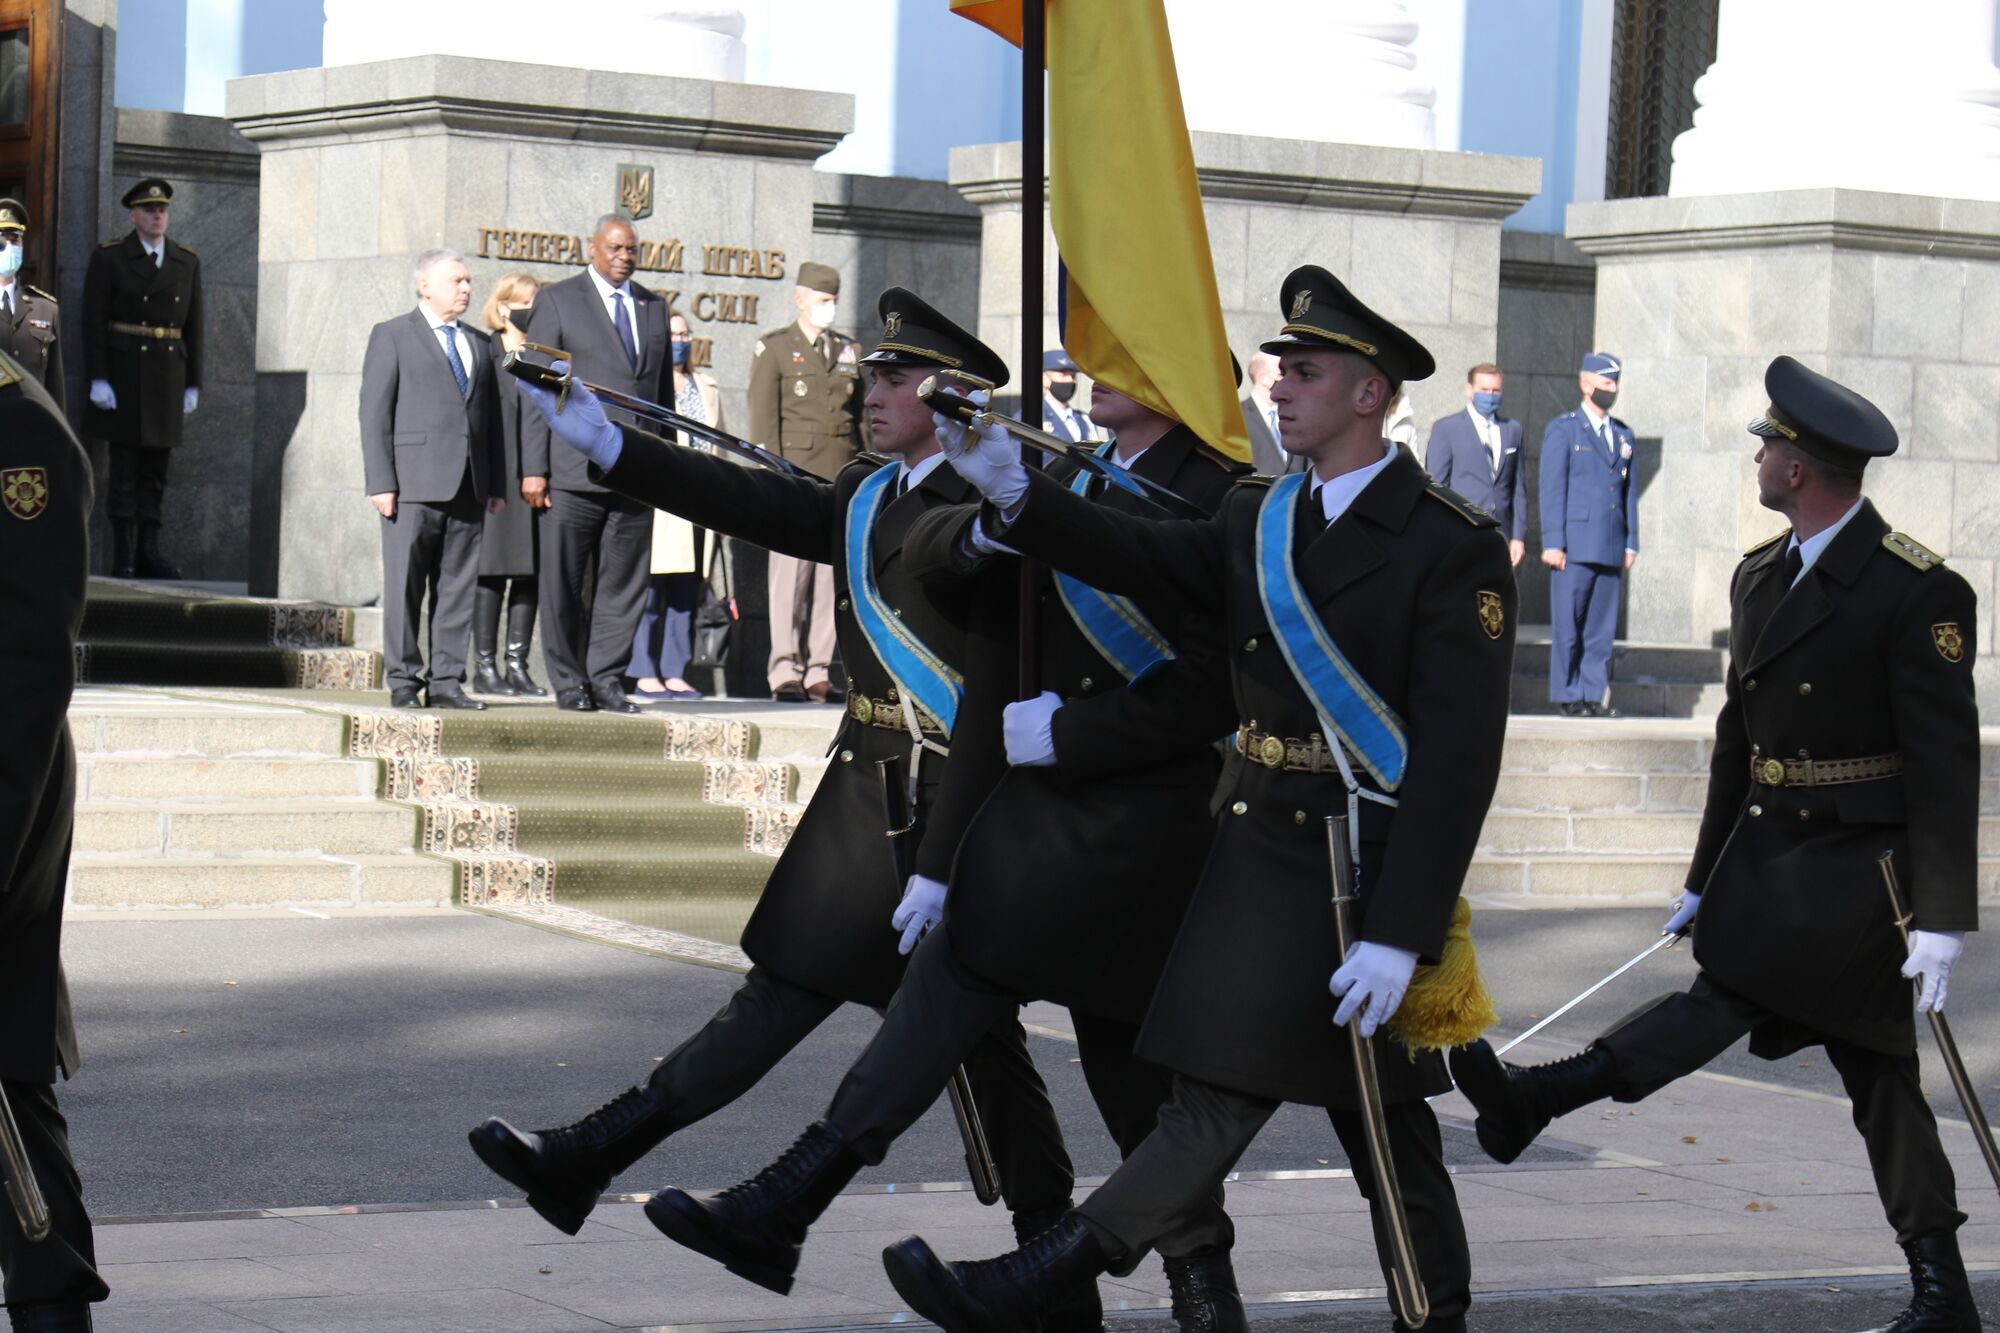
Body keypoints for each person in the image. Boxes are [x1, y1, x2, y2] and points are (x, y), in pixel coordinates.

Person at [883, 266, 1516, 1333]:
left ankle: (1430, 1317)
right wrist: (1015, 492)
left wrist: (1399, 936)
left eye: (1305, 372)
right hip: (1256, 854)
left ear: (1369, 394)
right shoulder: (1260, 514)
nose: (1278, 387)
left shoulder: (1447, 547)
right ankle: (1038, 1279)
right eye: (1279, 368)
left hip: (1356, 874)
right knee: (1210, 1100)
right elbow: (1141, 549)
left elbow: (1458, 761)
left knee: (1383, 1132)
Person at [467, 287, 1076, 1300]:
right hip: (865, 796)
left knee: (970, 1039)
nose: (869, 391)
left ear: (952, 395)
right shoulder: (870, 494)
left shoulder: (991, 508)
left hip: (956, 810)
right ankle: (595, 1154)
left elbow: (992, 688)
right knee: (812, 998)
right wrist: (612, 444)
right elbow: (750, 501)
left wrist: (941, 859)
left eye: (892, 378)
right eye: (869, 374)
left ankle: (1051, 1260)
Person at [653, 371, 1254, 1332]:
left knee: (1132, 1089)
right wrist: (942, 856)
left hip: (1148, 829)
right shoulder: (1075, 473)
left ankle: (1200, 1295)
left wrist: (1081, 733)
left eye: (1119, 354)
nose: (1093, 369)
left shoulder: (1225, 493)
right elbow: (994, 647)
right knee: (948, 984)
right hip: (1039, 816)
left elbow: (1220, 686)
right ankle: (787, 1200)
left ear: (1173, 374)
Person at [1452, 355, 1982, 1333]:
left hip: (1863, 876)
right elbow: (1738, 741)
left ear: (1806, 467)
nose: (1759, 456)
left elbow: (1944, 763)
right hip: (1773, 859)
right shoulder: (1760, 575)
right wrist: (1701, 876)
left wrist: (1944, 916)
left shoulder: (1914, 591)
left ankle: (1542, 1095)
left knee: (1736, 996)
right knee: (1876, 1078)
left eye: (1772, 445)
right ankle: (1941, 1290)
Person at [0, 348, 109, 1332]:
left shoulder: (21, 429)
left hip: (7, 796)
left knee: (4, 1063)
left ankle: (51, 1296)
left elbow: (29, 667)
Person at [519, 213, 672, 714]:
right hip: (570, 469)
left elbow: (661, 397)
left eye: (632, 249)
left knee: (624, 583)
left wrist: (669, 469)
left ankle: (607, 678)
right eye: (615, 248)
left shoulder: (653, 307)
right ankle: (568, 681)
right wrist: (533, 467)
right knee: (563, 580)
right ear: (592, 249)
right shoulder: (559, 299)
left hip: (636, 470)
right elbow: (536, 390)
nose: (625, 257)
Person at [358, 248, 505, 710]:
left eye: (467, 281)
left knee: (457, 588)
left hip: (468, 484)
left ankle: (446, 681)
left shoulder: (480, 344)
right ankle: (404, 680)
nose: (465, 289)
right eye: (456, 281)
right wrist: (381, 482)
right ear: (425, 286)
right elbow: (374, 413)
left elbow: (491, 419)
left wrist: (496, 482)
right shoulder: (393, 335)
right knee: (406, 584)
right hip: (411, 485)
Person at [748, 260, 863, 703]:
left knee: (829, 577)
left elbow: (860, 422)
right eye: (822, 300)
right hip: (793, 474)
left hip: (839, 477)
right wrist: (770, 475)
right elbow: (763, 419)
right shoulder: (775, 348)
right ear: (800, 298)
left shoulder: (849, 351)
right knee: (789, 578)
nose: (829, 308)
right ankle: (784, 669)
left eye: (834, 301)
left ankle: (819, 669)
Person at [80, 178, 203, 580]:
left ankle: (150, 551)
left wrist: (193, 382)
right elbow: (93, 322)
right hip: (124, 374)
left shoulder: (186, 261)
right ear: (133, 215)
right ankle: (124, 555)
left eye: (163, 210)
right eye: (149, 210)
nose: (157, 216)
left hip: (167, 376)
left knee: (155, 471)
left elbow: (195, 326)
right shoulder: (111, 257)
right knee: (125, 470)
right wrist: (98, 377)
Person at [630, 310, 721, 701]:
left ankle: (675, 670)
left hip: (700, 496)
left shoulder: (706, 385)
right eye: (673, 334)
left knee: (688, 589)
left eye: (686, 333)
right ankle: (643, 670)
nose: (681, 340)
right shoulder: (649, 383)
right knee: (652, 589)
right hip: (661, 498)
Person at [1541, 351, 1637, 717]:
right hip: (1574, 546)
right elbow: (1552, 489)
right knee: (1569, 627)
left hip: (1611, 544)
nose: (1611, 390)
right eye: (1605, 383)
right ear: (1585, 384)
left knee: (1600, 630)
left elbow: (1628, 493)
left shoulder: (1622, 434)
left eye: (1614, 384)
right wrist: (1553, 542)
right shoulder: (1564, 429)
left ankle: (1593, 695)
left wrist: (1631, 541)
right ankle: (1569, 695)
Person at [472, 272, 547, 698]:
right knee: (492, 571)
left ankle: (517, 665)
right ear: (502, 307)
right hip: (498, 479)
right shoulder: (484, 353)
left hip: (537, 478)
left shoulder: (544, 356)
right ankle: (485, 666)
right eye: (524, 302)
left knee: (529, 573)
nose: (531, 310)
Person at [1423, 363, 1526, 567]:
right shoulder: (1447, 429)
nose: (1490, 395)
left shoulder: (1513, 429)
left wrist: (1518, 536)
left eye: (1496, 390)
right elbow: (1436, 485)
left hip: (1501, 534)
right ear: (1469, 390)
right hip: (1460, 531)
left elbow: (1518, 489)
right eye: (1484, 390)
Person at [0, 200, 63, 403]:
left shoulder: (45, 309)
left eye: (14, 240)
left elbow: (55, 386)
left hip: (30, 427)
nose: (9, 247)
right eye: (2, 241)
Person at [1238, 348, 1287, 475]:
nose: (1288, 380)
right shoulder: (1238, 417)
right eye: (1281, 374)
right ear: (1262, 377)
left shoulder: (1294, 413)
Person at [1039, 348, 1103, 445]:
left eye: (1073, 376)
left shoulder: (1085, 421)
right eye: (1063, 375)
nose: (1070, 380)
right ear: (1044, 379)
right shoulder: (1032, 417)